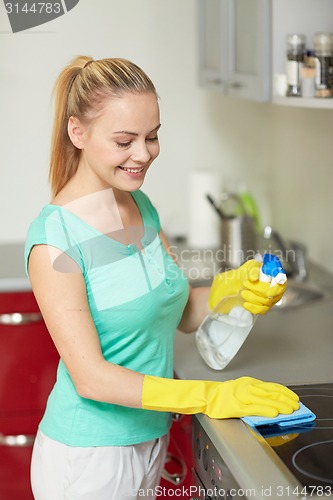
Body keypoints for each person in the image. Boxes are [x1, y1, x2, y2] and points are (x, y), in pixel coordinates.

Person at [24, 55, 299, 500]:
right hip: (90, 455)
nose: (143, 154)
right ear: (78, 132)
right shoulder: (55, 240)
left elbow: (182, 310)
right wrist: (211, 397)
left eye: (152, 137)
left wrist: (234, 290)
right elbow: (92, 377)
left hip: (149, 437)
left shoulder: (140, 206)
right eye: (124, 140)